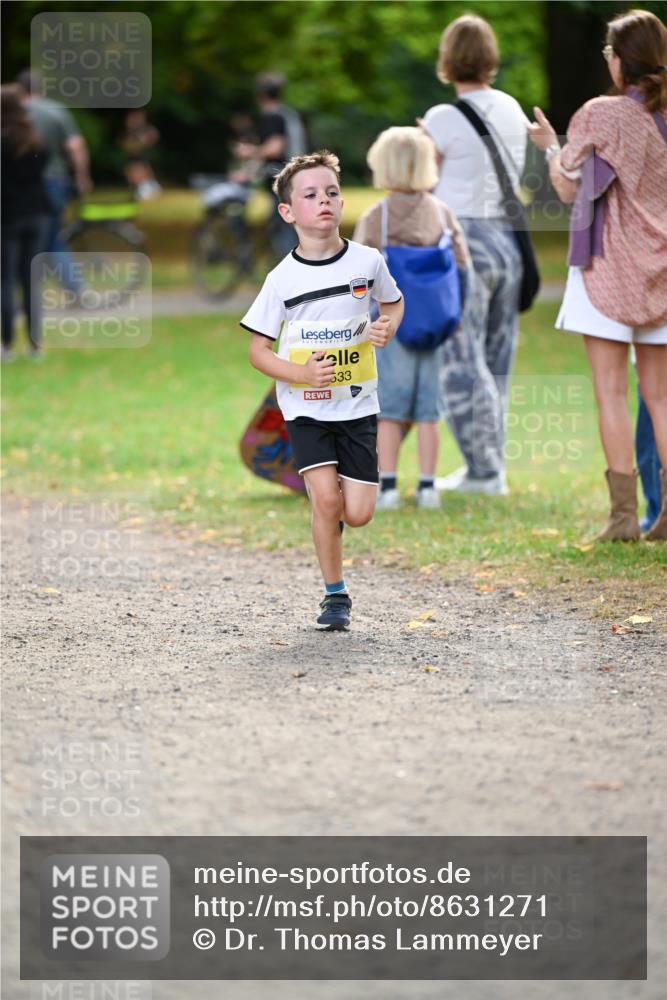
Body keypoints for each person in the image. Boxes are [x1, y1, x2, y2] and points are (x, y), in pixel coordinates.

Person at [241, 150, 404, 630]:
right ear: (288, 212)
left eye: (331, 192)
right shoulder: (281, 279)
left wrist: (386, 327)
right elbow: (258, 351)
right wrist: (301, 375)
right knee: (326, 502)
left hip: (358, 406)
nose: (324, 201)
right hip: (306, 408)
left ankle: (332, 519)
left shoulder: (367, 261)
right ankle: (335, 595)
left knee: (358, 513)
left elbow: (393, 304)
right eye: (310, 195)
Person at [528, 8, 667, 541]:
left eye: (610, 52)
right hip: (662, 270)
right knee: (660, 396)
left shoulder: (600, 113)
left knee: (611, 393)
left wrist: (549, 147)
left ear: (621, 60)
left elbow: (568, 188)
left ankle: (623, 518)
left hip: (608, 267)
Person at [420, 14, 530, 496]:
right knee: (497, 360)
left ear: (448, 59)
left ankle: (484, 472)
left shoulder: (442, 118)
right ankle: (489, 465)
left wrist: (422, 143)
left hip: (465, 244)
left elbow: (422, 183)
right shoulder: (511, 107)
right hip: (507, 242)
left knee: (462, 360)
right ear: (490, 57)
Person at [353, 126, 470, 511]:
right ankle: (427, 487)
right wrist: (457, 314)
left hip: (390, 326)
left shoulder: (377, 216)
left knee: (389, 411)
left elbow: (357, 275)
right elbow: (463, 266)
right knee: (428, 412)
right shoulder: (441, 212)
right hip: (436, 325)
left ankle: (387, 487)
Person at [16, 69, 92, 296]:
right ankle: (75, 289)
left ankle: (29, 292)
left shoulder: (15, 113)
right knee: (51, 237)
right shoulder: (57, 111)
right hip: (55, 181)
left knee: (28, 237)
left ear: (20, 88)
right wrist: (82, 178)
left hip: (23, 185)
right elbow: (76, 146)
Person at [1, 84, 50, 360]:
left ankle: (7, 343)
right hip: (36, 214)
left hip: (7, 216)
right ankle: (34, 344)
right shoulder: (35, 141)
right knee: (31, 281)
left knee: (6, 280)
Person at [234, 72, 307, 255]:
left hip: (281, 178)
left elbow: (275, 148)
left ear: (261, 95)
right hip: (293, 175)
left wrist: (250, 152)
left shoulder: (273, 117)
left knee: (282, 222)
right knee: (282, 219)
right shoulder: (287, 114)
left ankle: (292, 262)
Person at [118, 109, 162, 200]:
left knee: (139, 169)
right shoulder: (129, 132)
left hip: (142, 156)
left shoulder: (147, 130)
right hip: (134, 156)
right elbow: (125, 145)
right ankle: (141, 188)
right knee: (130, 170)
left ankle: (148, 187)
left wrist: (137, 144)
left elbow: (152, 138)